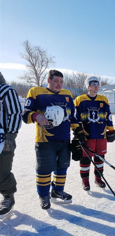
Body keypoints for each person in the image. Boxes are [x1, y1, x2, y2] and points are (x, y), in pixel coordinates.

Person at [23, 70, 81, 210]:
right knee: (44, 169)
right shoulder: (36, 92)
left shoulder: (67, 95)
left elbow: (71, 117)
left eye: (61, 82)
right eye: (55, 81)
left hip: (64, 139)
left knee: (62, 167)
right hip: (45, 140)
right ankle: (44, 196)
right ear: (48, 80)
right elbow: (25, 115)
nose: (58, 84)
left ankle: (57, 191)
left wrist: (78, 133)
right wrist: (37, 117)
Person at [74, 76, 115, 191]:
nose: (96, 86)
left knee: (100, 158)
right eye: (93, 84)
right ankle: (85, 180)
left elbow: (108, 116)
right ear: (88, 86)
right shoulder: (79, 100)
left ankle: (98, 178)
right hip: (87, 136)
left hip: (101, 135)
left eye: (98, 84)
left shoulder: (103, 99)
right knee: (85, 159)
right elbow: (75, 118)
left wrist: (111, 130)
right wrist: (78, 132)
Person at [0, 72, 22, 219]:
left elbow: (15, 113)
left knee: (2, 170)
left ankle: (8, 196)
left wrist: (10, 136)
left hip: (3, 139)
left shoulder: (6, 91)